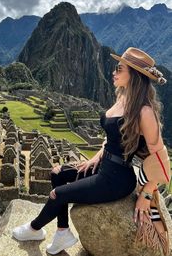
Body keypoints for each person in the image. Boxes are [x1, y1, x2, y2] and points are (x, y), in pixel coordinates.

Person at [12, 47, 169, 255]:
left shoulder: (144, 111)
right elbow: (111, 138)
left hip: (117, 179)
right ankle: (62, 232)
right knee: (57, 173)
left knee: (57, 194)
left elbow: (159, 155)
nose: (114, 72)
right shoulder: (123, 99)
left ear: (135, 76)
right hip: (104, 167)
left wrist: (147, 194)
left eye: (119, 69)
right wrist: (93, 159)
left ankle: (34, 229)